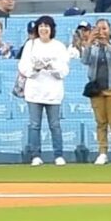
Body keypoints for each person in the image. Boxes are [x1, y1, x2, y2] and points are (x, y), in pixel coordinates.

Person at [18, 15, 69, 165]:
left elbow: (64, 70)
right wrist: (36, 68)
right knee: (35, 125)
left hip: (53, 92)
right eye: (41, 26)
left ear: (52, 29)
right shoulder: (30, 45)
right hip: (34, 91)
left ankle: (58, 155)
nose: (43, 29)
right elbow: (23, 67)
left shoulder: (59, 46)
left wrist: (52, 67)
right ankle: (35, 155)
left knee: (55, 125)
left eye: (47, 26)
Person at [81, 18, 111, 164]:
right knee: (100, 122)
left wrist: (107, 45)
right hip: (97, 91)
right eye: (98, 29)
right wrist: (89, 43)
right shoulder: (92, 47)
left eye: (104, 29)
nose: (101, 32)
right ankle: (102, 152)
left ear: (110, 30)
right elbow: (84, 60)